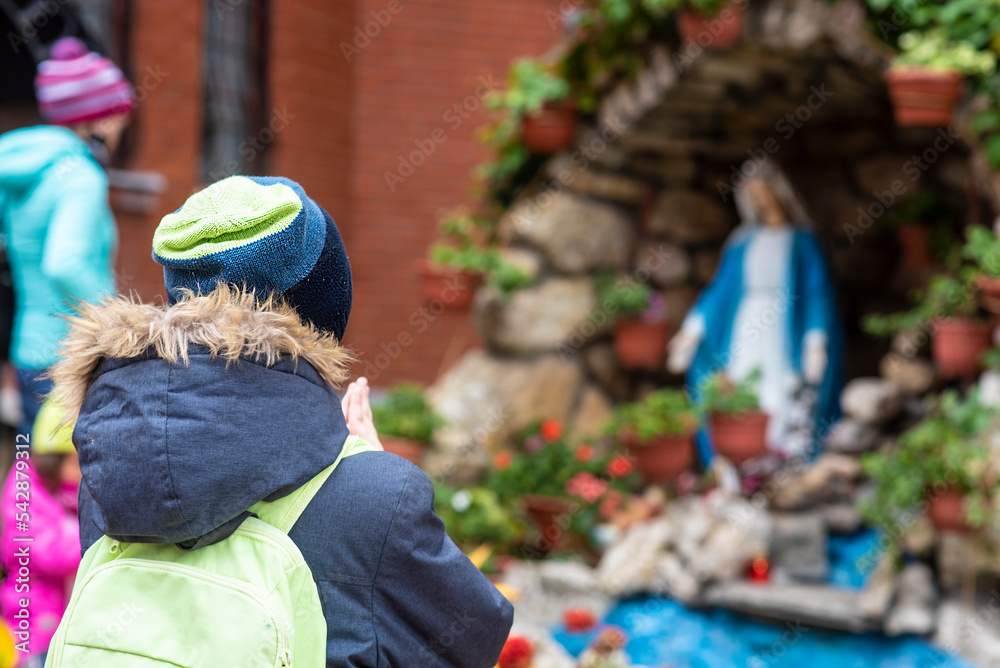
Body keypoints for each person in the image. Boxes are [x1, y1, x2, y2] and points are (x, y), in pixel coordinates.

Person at [48, 176, 513, 667]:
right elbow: (474, 639)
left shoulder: (110, 470)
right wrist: (370, 472)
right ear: (321, 306)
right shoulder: (378, 496)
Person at [0, 36, 133, 437]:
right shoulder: (80, 175)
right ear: (100, 118)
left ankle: (17, 505)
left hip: (27, 349)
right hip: (68, 359)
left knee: (30, 475)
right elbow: (65, 262)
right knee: (73, 487)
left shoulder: (28, 171)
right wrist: (117, 324)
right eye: (122, 114)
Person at [667, 160, 843, 463]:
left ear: (779, 192)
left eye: (765, 192)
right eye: (754, 194)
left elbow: (817, 293)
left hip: (784, 328)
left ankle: (781, 456)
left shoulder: (802, 242)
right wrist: (692, 329)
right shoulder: (742, 242)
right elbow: (719, 291)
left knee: (781, 386)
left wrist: (816, 337)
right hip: (746, 326)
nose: (760, 199)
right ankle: (741, 460)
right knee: (740, 385)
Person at [0, 400, 81, 667]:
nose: (82, 470)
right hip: (33, 616)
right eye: (76, 460)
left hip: (62, 614)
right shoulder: (23, 489)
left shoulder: (66, 486)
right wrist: (90, 538)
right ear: (53, 458)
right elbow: (43, 550)